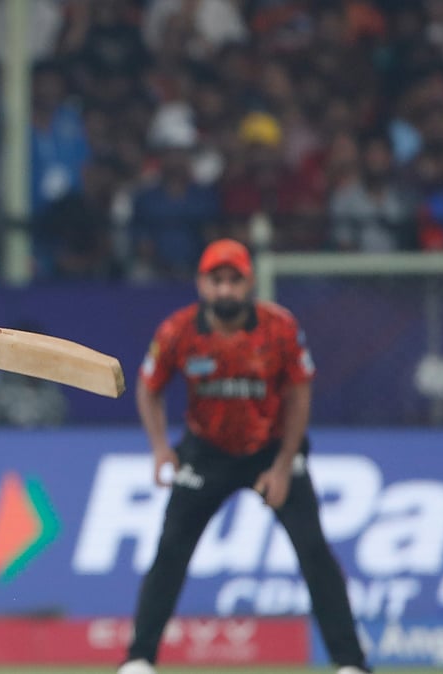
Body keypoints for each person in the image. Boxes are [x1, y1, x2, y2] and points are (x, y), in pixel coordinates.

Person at [119, 239, 370, 674]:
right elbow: (148, 387)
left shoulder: (279, 328)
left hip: (272, 450)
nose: (226, 290)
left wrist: (282, 465)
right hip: (206, 452)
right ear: (202, 284)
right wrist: (160, 447)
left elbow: (299, 392)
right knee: (170, 551)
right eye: (217, 280)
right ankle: (139, 659)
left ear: (250, 283)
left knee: (314, 552)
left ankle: (350, 663)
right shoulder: (178, 330)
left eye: (235, 280)